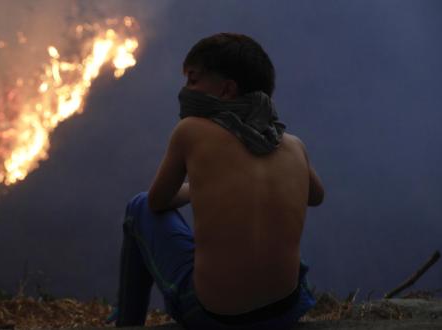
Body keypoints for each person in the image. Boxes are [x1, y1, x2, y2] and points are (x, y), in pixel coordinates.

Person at [112, 33, 324, 329]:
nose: (185, 90)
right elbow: (316, 196)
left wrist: (193, 189)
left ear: (227, 90)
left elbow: (157, 201)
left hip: (215, 317)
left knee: (138, 208)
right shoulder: (292, 143)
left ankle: (126, 323)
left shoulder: (191, 131)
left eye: (193, 80)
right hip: (285, 310)